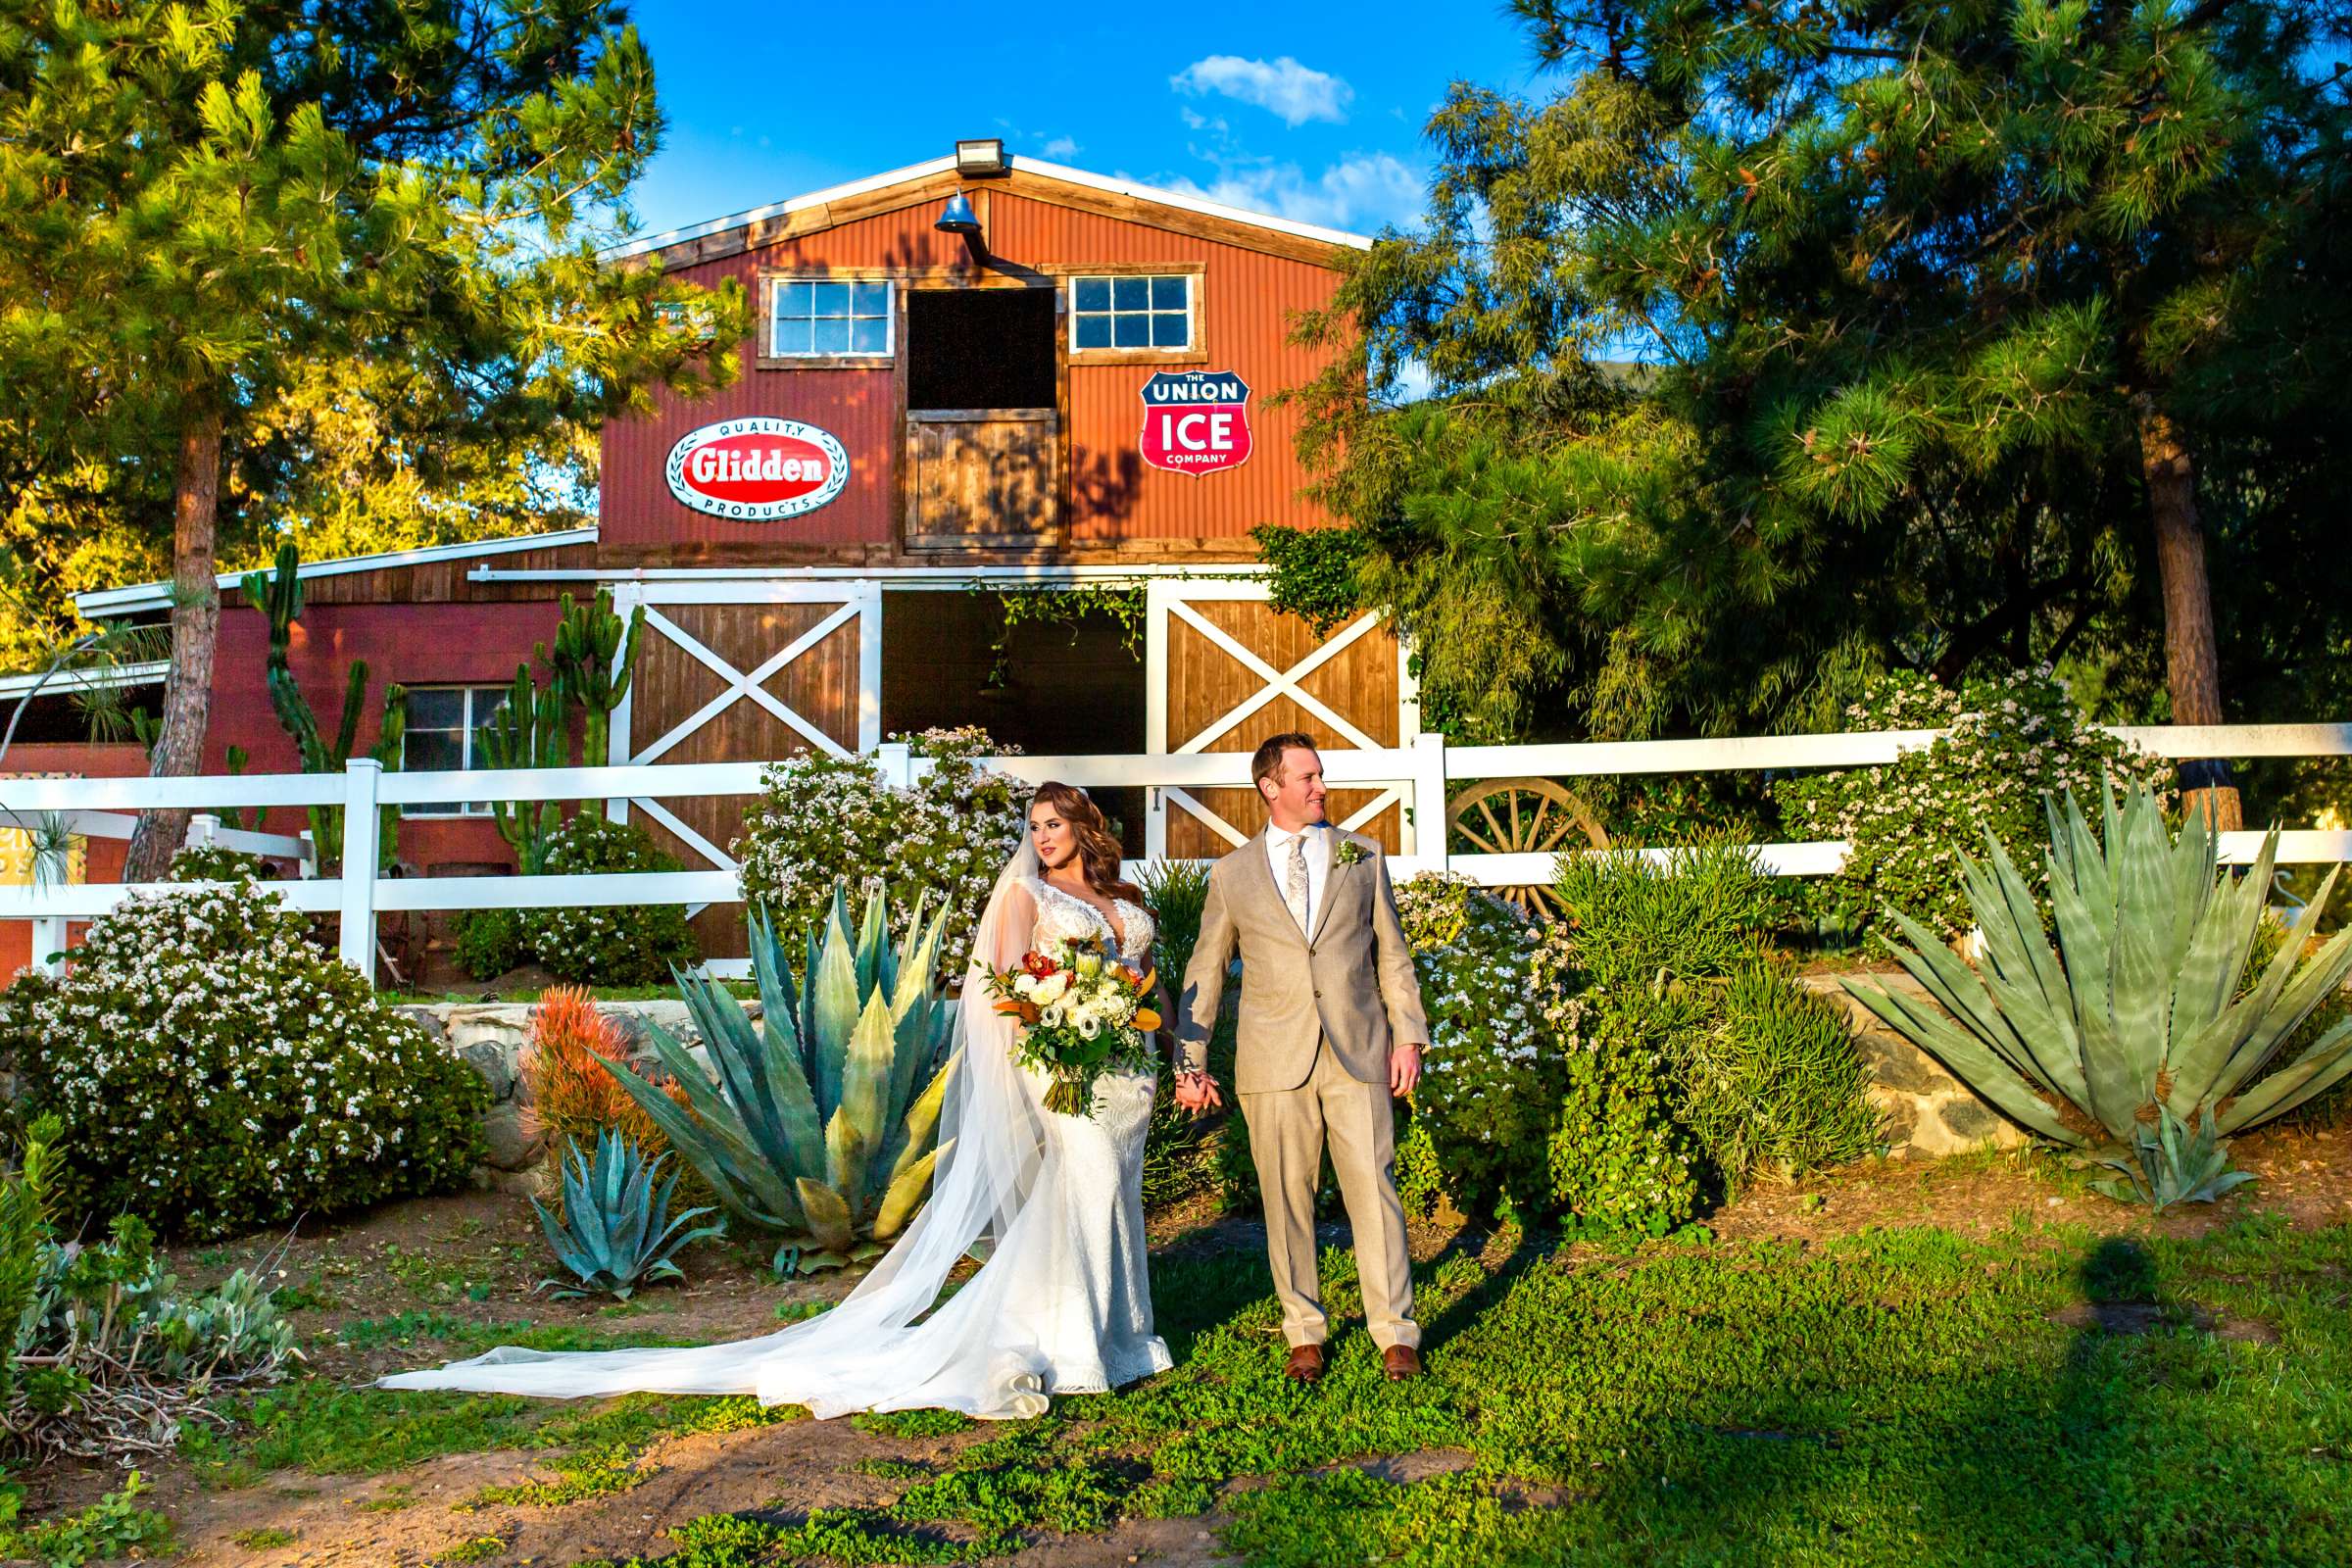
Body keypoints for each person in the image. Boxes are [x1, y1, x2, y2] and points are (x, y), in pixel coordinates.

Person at [379, 782, 1171, 1419]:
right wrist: (1057, 1027)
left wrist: (1169, 1046)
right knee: (1087, 1183)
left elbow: (1149, 978)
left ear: (1083, 827)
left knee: (1109, 1196)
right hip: (1063, 1065)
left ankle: (1123, 1336)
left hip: (1128, 1066)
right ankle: (1073, 1351)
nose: (1041, 837)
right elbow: (997, 990)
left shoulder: (1121, 895)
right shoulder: (1026, 899)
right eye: (1033, 826)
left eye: (1054, 823)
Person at [1173, 732, 1432, 1384]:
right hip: (1273, 1059)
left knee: (1374, 1191)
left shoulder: (1362, 857)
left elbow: (1391, 957)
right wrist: (1188, 1060)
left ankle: (1395, 1332)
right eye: (1308, 777)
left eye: (1320, 775)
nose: (1321, 787)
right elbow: (1205, 970)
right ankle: (1304, 1331)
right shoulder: (1231, 875)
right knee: (1286, 1199)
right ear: (1271, 787)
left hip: (1357, 1051)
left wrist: (1408, 1035)